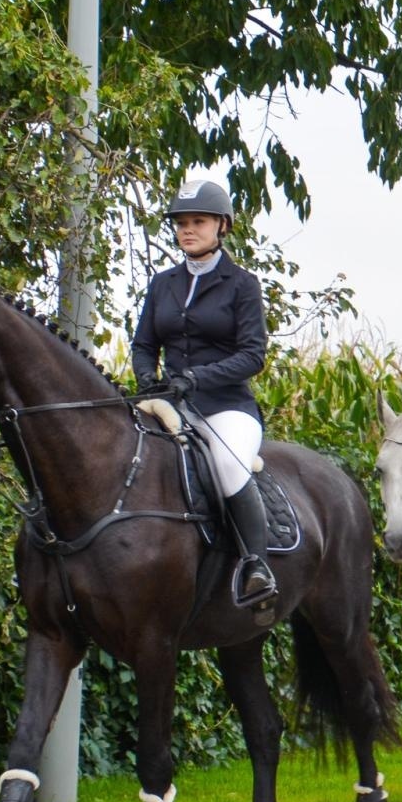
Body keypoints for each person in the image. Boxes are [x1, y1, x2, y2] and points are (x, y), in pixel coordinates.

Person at [130, 179, 277, 606]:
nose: (187, 230)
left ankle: (256, 565)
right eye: (181, 223)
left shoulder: (241, 284)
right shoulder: (163, 283)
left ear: (222, 226)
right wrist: (147, 379)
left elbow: (253, 355)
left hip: (225, 406)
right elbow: (143, 344)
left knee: (229, 466)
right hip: (166, 402)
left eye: (197, 222)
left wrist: (196, 378)